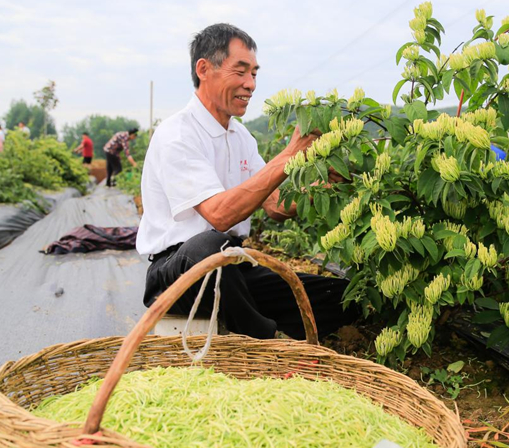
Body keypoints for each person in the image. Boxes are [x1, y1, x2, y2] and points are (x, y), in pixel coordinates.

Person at [135, 23, 357, 341]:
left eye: (254, 73)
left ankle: (267, 325)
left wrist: (323, 189)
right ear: (204, 69)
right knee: (211, 248)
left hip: (233, 270)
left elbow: (275, 205)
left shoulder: (241, 137)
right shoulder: (178, 134)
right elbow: (220, 215)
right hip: (179, 273)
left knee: (339, 296)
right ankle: (265, 339)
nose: (250, 84)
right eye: (240, 72)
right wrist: (290, 155)